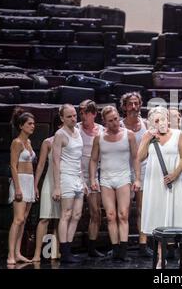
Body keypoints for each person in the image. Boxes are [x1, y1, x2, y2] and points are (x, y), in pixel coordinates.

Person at [138, 106, 182, 267]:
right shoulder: (149, 136)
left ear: (168, 119)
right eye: (156, 120)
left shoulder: (178, 135)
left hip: (173, 181)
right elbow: (139, 157)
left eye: (162, 119)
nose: (160, 123)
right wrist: (147, 138)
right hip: (154, 183)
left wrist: (175, 174)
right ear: (152, 122)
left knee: (178, 218)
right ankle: (161, 258)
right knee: (158, 219)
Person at [89, 106, 140, 261]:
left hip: (123, 177)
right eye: (110, 121)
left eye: (116, 119)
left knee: (123, 214)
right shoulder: (99, 137)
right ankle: (115, 249)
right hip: (106, 179)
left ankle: (123, 252)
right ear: (104, 121)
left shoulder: (129, 135)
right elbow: (93, 159)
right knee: (110, 216)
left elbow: (136, 157)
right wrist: (92, 179)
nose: (114, 123)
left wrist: (137, 178)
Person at [120, 92, 151, 257]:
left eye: (136, 104)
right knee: (122, 210)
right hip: (124, 169)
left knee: (142, 209)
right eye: (130, 104)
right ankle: (119, 245)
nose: (133, 107)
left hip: (144, 169)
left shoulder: (146, 124)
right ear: (124, 106)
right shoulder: (118, 125)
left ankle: (143, 245)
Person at [52, 104, 84, 263]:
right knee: (66, 214)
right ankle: (64, 252)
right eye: (69, 116)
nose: (73, 118)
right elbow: (56, 162)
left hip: (78, 177)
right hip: (66, 177)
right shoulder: (60, 134)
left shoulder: (78, 131)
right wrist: (57, 186)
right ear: (62, 118)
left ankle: (68, 250)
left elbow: (79, 158)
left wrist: (83, 179)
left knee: (77, 214)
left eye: (74, 115)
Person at [75, 100, 104, 257]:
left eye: (86, 112)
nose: (82, 116)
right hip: (76, 174)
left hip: (93, 175)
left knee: (96, 212)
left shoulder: (101, 131)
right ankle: (64, 248)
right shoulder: (76, 129)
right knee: (72, 213)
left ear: (93, 114)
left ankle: (91, 248)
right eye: (81, 112)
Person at [7, 108, 36, 265]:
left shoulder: (29, 142)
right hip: (20, 181)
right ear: (21, 126)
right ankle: (10, 254)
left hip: (29, 182)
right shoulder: (17, 142)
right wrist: (17, 188)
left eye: (33, 124)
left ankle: (18, 252)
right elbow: (13, 166)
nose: (33, 126)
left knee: (24, 220)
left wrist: (34, 187)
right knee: (17, 219)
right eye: (29, 124)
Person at [32, 116, 62, 262]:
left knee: (59, 220)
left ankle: (54, 252)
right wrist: (35, 185)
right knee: (45, 218)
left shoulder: (73, 141)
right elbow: (40, 165)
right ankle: (38, 253)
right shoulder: (48, 142)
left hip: (65, 182)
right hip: (50, 183)